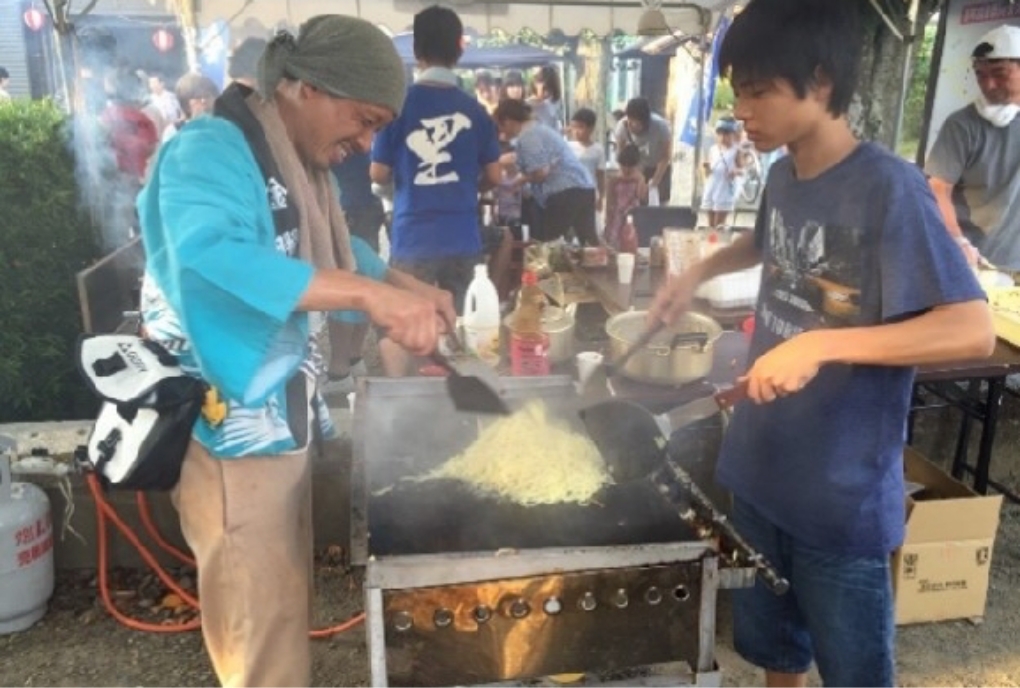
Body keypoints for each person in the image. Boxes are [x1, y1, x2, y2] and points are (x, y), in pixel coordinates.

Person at [648, 1, 994, 686]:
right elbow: (766, 243)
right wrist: (697, 271)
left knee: (855, 674)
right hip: (758, 471)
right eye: (737, 90)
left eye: (759, 90)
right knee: (776, 655)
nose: (742, 111)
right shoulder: (782, 174)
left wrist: (820, 347)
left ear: (822, 82)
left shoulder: (888, 188)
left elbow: (971, 328)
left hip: (840, 497)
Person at [137, 16, 455, 686]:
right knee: (260, 620)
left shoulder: (299, 159)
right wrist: (371, 300)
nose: (365, 142)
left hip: (280, 418)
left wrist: (403, 284)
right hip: (229, 428)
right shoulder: (212, 149)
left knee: (280, 597)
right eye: (362, 119)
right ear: (308, 87)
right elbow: (211, 256)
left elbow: (338, 256)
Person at [370, 5, 501, 375]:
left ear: (416, 50)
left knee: (402, 328)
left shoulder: (399, 106)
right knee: (463, 326)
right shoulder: (475, 110)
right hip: (463, 237)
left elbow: (378, 173)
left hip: (413, 239)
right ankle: (463, 404)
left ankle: (404, 400)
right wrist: (466, 185)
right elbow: (494, 174)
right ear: (459, 50)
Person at [925, 24, 1020, 270]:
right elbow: (937, 189)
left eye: (999, 74)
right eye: (980, 74)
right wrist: (958, 241)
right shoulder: (963, 125)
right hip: (968, 261)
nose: (988, 85)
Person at [494, 98, 598, 245]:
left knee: (545, 241)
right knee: (588, 242)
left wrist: (518, 181)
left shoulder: (527, 136)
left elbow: (541, 172)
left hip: (563, 190)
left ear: (509, 121)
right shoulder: (538, 128)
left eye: (501, 126)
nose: (501, 132)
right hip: (584, 186)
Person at [614, 97, 673, 204]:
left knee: (659, 205)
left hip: (659, 167)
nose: (632, 126)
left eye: (637, 123)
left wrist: (654, 182)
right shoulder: (622, 127)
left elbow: (665, 156)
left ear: (646, 121)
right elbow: (621, 157)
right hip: (636, 168)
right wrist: (635, 177)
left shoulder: (661, 127)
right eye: (630, 121)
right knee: (634, 204)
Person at [701, 119, 744, 228]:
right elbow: (708, 172)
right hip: (712, 186)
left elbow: (742, 170)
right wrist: (707, 167)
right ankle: (710, 242)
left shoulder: (736, 151)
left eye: (726, 134)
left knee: (719, 224)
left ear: (733, 135)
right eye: (720, 134)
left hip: (725, 188)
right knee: (710, 224)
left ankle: (719, 242)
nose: (722, 137)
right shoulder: (713, 149)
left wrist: (735, 171)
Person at [604, 144, 646, 249]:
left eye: (630, 166)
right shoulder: (614, 180)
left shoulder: (639, 178)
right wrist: (608, 220)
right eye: (624, 165)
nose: (626, 169)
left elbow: (641, 196)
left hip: (633, 216)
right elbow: (610, 201)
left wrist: (640, 180)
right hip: (617, 216)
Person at [161, 73, 220, 143]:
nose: (204, 102)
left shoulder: (222, 129)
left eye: (208, 96)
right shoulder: (174, 131)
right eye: (198, 97)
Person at [568, 107, 606, 209]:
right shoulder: (567, 147)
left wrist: (601, 197)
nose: (576, 131)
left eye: (580, 127)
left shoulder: (598, 149)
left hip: (589, 192)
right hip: (571, 192)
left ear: (591, 128)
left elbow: (600, 176)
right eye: (573, 127)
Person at [527, 64, 563, 132]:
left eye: (550, 90)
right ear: (536, 83)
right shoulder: (525, 107)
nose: (546, 93)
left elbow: (555, 130)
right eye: (545, 89)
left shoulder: (551, 106)